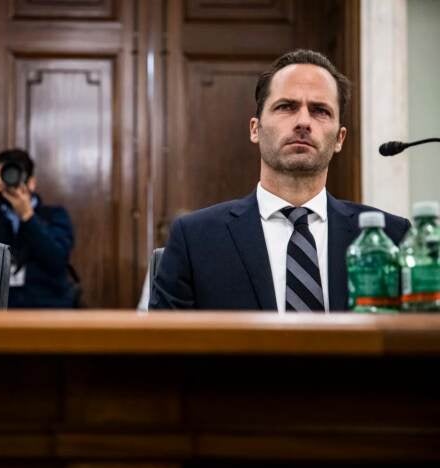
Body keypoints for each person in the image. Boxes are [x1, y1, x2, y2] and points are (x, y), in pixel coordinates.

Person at [150, 49, 410, 312]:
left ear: (340, 138)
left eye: (320, 110)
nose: (303, 122)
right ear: (255, 129)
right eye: (286, 107)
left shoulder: (392, 237)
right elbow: (162, 345)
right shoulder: (195, 239)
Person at [0, 149, 75, 308]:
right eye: (3, 175)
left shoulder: (55, 216)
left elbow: (57, 260)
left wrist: (28, 217)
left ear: (31, 182)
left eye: (14, 173)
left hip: (48, 310)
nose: (9, 180)